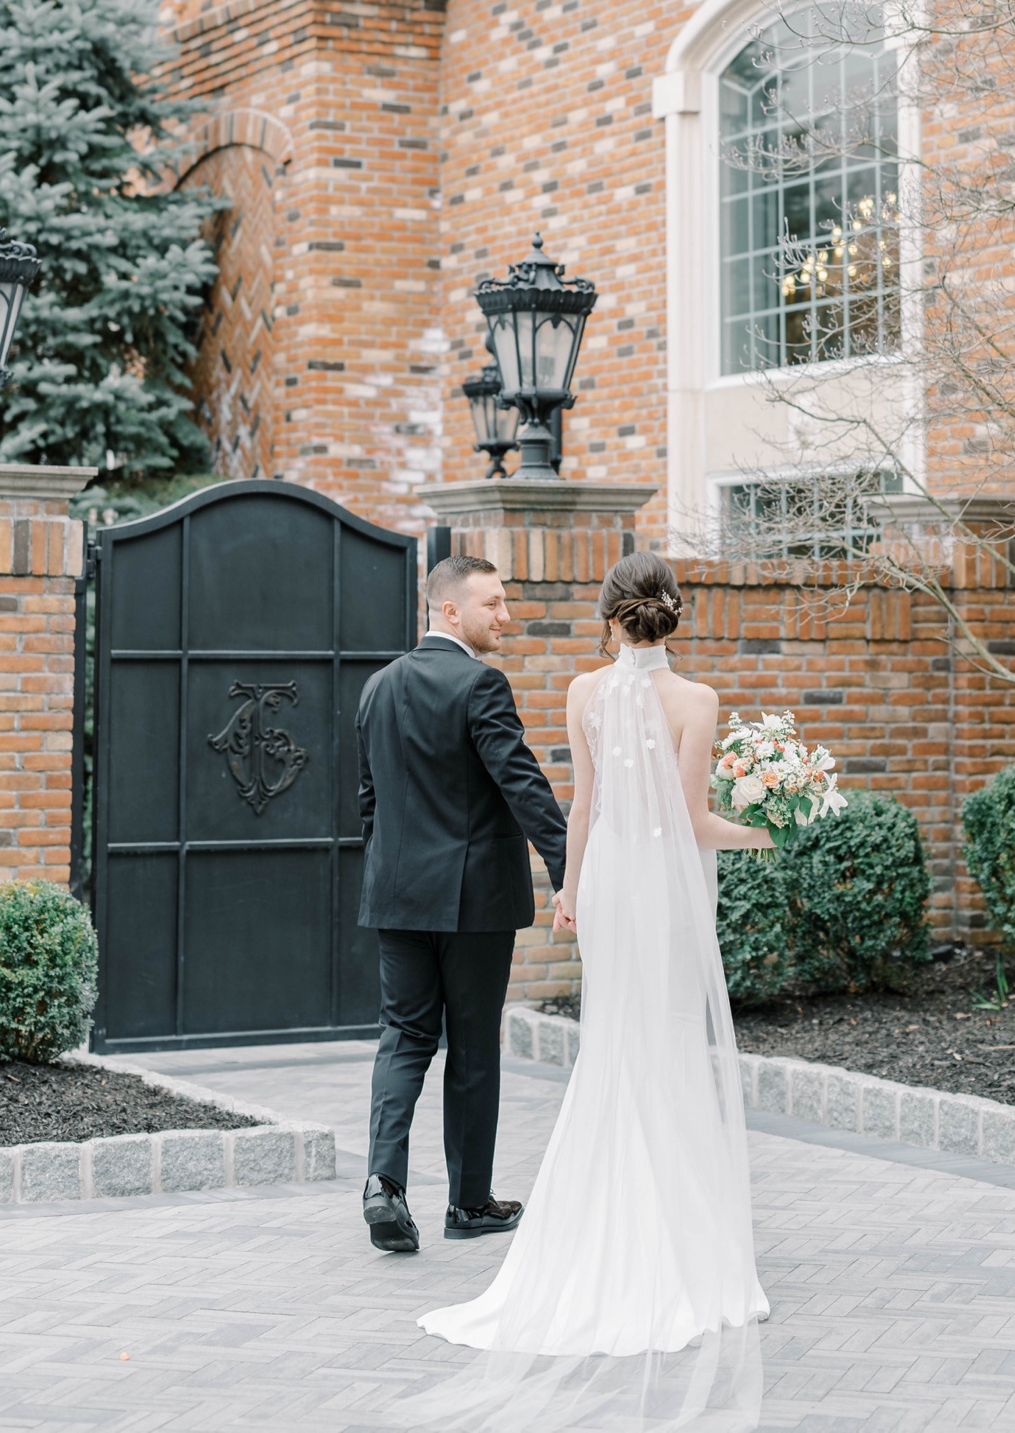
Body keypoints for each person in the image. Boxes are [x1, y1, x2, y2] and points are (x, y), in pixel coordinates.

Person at [403, 552, 774, 1433]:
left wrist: (569, 890)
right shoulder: (698, 701)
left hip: (606, 880)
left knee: (617, 1046)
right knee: (669, 1043)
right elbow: (692, 824)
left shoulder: (581, 691)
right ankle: (676, 1245)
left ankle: (611, 1231)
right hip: (663, 886)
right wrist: (774, 828)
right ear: (671, 615)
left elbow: (585, 805)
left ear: (610, 616)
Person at [356, 551, 569, 1255]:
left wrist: (390, 872)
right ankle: (469, 1203)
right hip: (473, 901)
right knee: (472, 1047)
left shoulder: (377, 688)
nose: (504, 616)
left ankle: (382, 1183)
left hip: (396, 897)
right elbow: (523, 785)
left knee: (404, 1036)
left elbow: (370, 805)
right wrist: (573, 868)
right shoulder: (481, 684)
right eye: (493, 604)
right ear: (451, 610)